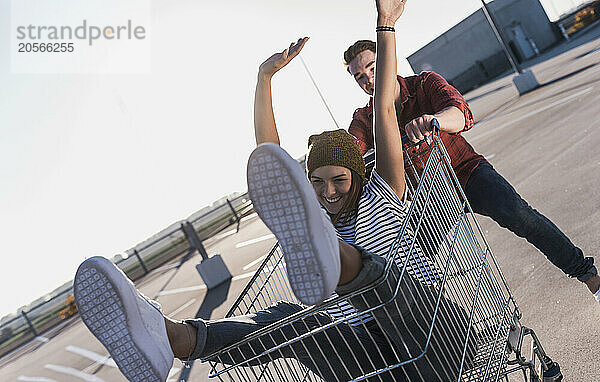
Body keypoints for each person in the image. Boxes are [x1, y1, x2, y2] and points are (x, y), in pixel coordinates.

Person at [73, 1, 475, 381]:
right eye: (315, 182)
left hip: (435, 339)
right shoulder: (315, 214)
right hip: (373, 363)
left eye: (339, 180)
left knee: (386, 283)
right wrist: (263, 78)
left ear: (359, 176)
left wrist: (386, 25)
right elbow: (271, 166)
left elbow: (384, 108)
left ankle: (339, 263)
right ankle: (172, 336)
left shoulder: (384, 193)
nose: (329, 191)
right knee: (292, 321)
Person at [343, 39, 600, 302]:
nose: (369, 81)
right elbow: (347, 154)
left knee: (521, 216)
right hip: (429, 197)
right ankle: (437, 328)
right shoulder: (365, 119)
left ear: (388, 61)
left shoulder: (424, 84)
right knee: (409, 263)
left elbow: (461, 113)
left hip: (465, 171)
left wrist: (435, 120)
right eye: (359, 77)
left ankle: (591, 278)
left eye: (373, 69)